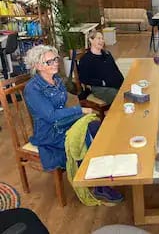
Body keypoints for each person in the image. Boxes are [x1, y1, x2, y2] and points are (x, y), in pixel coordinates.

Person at [24, 45, 123, 203]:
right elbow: (51, 116)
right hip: (50, 131)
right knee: (86, 136)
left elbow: (63, 105)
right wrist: (79, 110)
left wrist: (77, 110)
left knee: (96, 127)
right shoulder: (32, 89)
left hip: (63, 123)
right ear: (37, 66)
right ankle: (98, 185)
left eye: (55, 59)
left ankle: (102, 172)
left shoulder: (56, 80)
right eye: (49, 62)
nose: (56, 63)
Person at [78, 31, 124, 105]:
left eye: (102, 39)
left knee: (129, 92)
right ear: (91, 40)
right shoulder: (86, 59)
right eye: (98, 38)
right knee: (119, 97)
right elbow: (83, 78)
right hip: (99, 88)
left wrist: (123, 82)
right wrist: (102, 82)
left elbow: (116, 70)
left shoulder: (107, 54)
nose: (101, 41)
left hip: (114, 84)